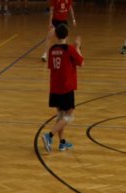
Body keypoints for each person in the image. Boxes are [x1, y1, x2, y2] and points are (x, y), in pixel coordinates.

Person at [41, 23, 83, 152]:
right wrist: (78, 47)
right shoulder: (69, 49)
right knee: (69, 116)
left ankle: (62, 142)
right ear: (67, 35)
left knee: (61, 116)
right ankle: (49, 136)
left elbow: (51, 66)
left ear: (56, 35)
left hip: (55, 87)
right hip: (66, 88)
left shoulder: (52, 49)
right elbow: (81, 62)